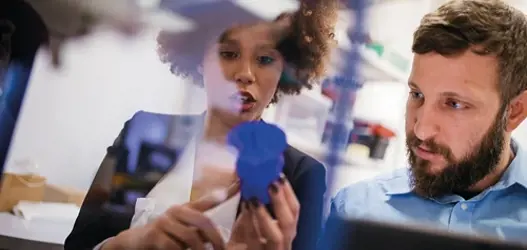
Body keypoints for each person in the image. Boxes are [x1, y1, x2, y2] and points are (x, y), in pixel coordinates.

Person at [64, 1, 338, 250]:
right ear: (198, 60)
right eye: (229, 54)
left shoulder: (301, 176)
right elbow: (78, 245)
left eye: (265, 59)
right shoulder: (144, 133)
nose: (244, 74)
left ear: (286, 71)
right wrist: (130, 243)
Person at [330, 0, 527, 244]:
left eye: (454, 104)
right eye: (417, 95)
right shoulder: (354, 208)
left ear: (515, 112)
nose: (421, 130)